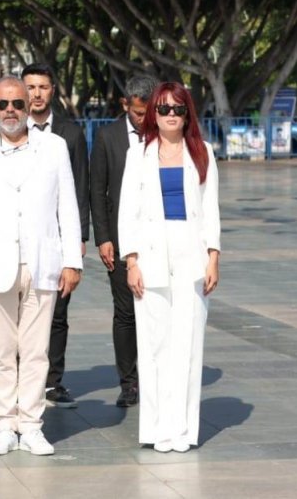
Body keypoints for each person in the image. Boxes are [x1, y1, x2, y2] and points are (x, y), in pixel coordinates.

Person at [0, 77, 83, 457]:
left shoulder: (54, 147)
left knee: (36, 351)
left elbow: (68, 207)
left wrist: (72, 261)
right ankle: (4, 425)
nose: (10, 111)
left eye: (17, 104)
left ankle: (31, 425)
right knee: (1, 352)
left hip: (43, 263)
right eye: (2, 104)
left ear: (30, 107)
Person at [119, 82, 221, 453]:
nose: (171, 115)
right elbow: (127, 211)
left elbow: (211, 208)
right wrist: (131, 261)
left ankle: (183, 431)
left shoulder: (203, 153)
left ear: (188, 113)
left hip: (191, 255)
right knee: (154, 345)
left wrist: (213, 256)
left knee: (188, 345)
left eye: (178, 109)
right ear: (153, 115)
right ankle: (157, 429)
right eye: (163, 109)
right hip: (150, 256)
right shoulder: (138, 155)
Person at [21, 62, 90, 409]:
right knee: (19, 309)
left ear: (53, 90)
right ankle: (21, 378)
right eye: (30, 87)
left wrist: (78, 239)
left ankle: (52, 381)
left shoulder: (70, 133)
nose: (35, 94)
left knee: (57, 311)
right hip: (18, 236)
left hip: (58, 237)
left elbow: (80, 187)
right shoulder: (11, 129)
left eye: (42, 87)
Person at [89, 74, 157, 408]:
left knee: (157, 309)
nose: (144, 120)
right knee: (125, 312)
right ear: (125, 105)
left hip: (158, 240)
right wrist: (103, 238)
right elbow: (97, 189)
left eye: (149, 112)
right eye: (138, 113)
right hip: (119, 239)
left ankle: (157, 377)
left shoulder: (167, 135)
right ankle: (129, 382)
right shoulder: (107, 137)